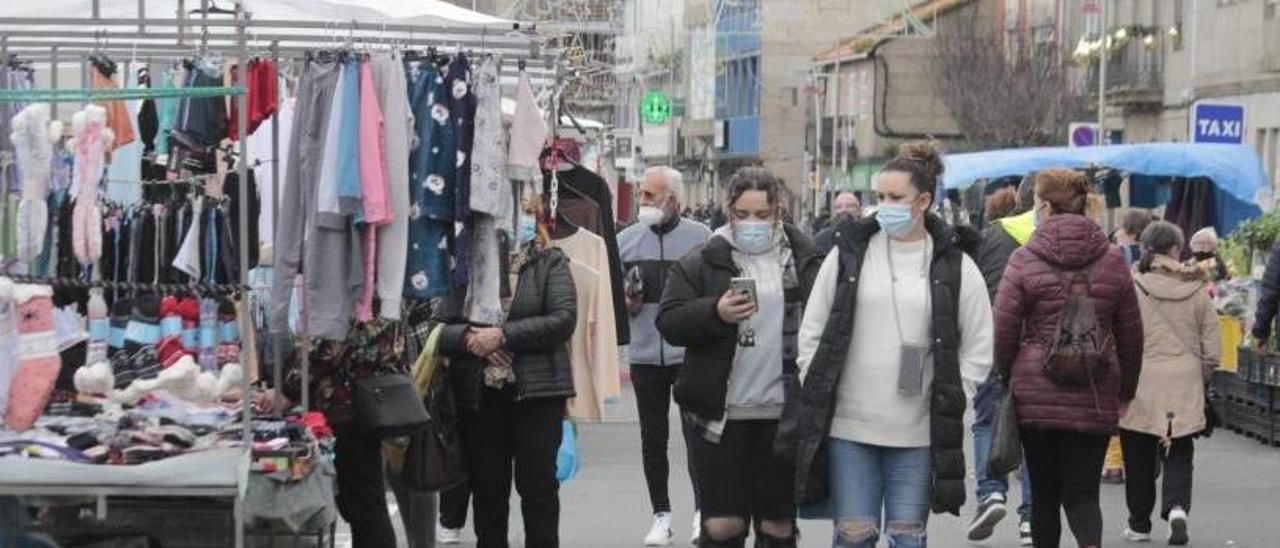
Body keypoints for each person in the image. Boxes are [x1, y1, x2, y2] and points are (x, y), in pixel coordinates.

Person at [790, 142, 994, 548]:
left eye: (895, 198)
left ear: (923, 201)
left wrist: (958, 395)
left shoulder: (954, 264)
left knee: (908, 539)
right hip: (850, 425)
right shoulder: (850, 253)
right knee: (853, 537)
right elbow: (812, 326)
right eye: (879, 196)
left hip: (917, 432)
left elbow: (978, 341)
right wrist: (816, 380)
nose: (884, 206)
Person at [657, 167, 821, 548]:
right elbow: (669, 321)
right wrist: (715, 312)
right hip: (720, 414)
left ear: (778, 211)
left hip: (784, 415)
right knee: (723, 525)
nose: (752, 223)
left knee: (777, 525)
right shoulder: (702, 259)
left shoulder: (806, 258)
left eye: (762, 215)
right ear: (729, 211)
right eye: (743, 214)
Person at [993, 169, 1144, 548]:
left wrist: (1007, 376)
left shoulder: (1024, 259)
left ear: (1043, 206)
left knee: (1044, 495)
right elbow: (1131, 334)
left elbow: (1005, 328)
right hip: (1095, 389)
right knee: (1082, 495)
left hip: (1035, 392)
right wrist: (1125, 391)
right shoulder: (1113, 261)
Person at [439, 196, 578, 548]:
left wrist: (503, 336)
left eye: (528, 215)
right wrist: (472, 339)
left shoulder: (551, 262)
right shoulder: (469, 262)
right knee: (488, 489)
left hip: (537, 392)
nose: (520, 223)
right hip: (481, 393)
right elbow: (437, 325)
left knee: (538, 487)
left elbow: (563, 319)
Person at [619, 166, 714, 546]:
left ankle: (701, 511)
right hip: (644, 355)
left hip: (690, 354)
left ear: (673, 200)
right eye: (642, 194)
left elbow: (714, 294)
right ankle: (661, 515)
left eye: (650, 196)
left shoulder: (702, 239)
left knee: (698, 436)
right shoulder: (624, 241)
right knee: (652, 438)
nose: (643, 202)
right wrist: (626, 301)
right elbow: (614, 301)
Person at [1121, 221, 1220, 545]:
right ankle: (1177, 507)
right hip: (1184, 377)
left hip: (1140, 379)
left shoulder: (1132, 287)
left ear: (1144, 249)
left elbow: (1119, 336)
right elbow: (1212, 347)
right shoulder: (1198, 290)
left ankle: (1139, 524)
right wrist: (1200, 376)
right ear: (1178, 250)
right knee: (1179, 448)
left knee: (1137, 451)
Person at [969, 175, 1037, 545]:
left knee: (986, 420)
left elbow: (974, 289)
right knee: (1033, 434)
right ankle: (1031, 518)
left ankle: (991, 491)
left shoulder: (992, 237)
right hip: (1041, 348)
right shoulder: (1058, 238)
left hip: (993, 340)